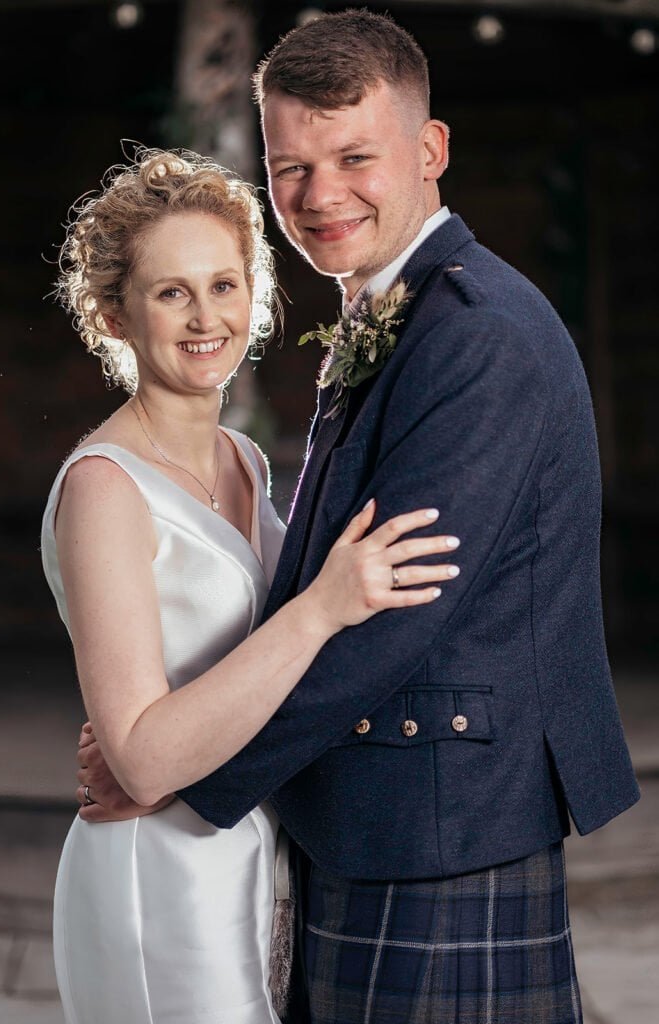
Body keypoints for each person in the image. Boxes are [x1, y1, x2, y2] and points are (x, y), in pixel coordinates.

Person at [78, 10, 640, 1024]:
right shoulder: (397, 311)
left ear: (428, 151)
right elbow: (321, 583)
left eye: (351, 157)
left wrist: (182, 771)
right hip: (382, 816)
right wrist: (160, 734)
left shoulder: (477, 338)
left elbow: (391, 615)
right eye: (289, 167)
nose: (318, 195)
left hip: (439, 830)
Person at [41, 146, 462, 1024]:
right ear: (115, 316)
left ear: (254, 294)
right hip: (156, 874)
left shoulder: (242, 457)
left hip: (246, 847)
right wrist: (320, 610)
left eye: (224, 284)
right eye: (170, 292)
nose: (206, 317)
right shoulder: (103, 490)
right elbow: (146, 757)